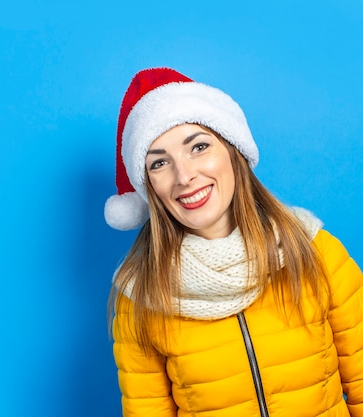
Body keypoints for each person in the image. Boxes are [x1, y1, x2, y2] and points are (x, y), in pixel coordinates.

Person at [104, 67, 363, 416]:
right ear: (148, 186)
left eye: (198, 146)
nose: (185, 176)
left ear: (232, 150)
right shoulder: (141, 296)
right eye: (159, 163)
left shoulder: (314, 251)